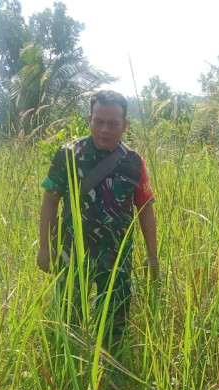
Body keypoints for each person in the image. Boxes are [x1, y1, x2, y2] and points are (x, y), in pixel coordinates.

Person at [37, 90, 158, 349]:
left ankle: (111, 375)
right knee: (67, 324)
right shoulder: (67, 154)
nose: (105, 130)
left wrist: (152, 254)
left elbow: (145, 207)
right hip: (72, 253)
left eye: (113, 123)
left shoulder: (134, 162)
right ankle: (68, 374)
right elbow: (50, 200)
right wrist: (45, 247)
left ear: (125, 125)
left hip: (117, 258)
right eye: (99, 121)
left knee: (114, 326)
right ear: (89, 119)